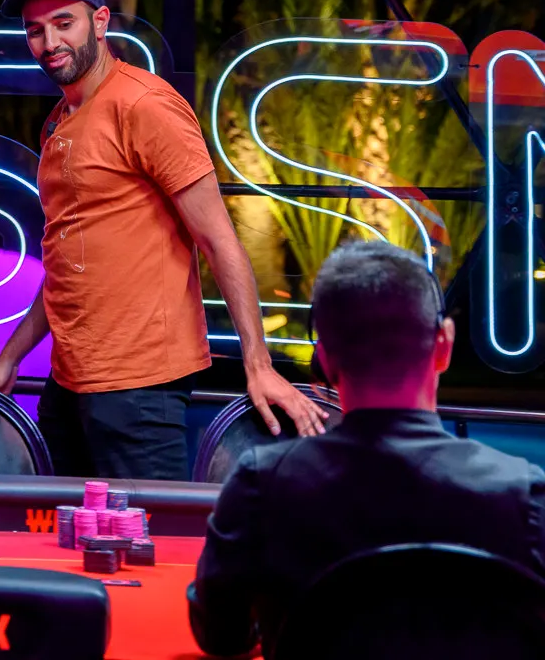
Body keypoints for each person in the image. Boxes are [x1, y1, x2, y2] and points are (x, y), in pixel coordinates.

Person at [0, 0, 326, 481]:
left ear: (100, 21)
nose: (49, 42)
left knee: (148, 529)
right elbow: (69, 266)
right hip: (69, 383)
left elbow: (219, 241)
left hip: (140, 386)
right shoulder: (59, 121)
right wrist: (10, 358)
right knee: (59, 528)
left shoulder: (145, 105)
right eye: (36, 30)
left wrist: (258, 365)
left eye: (64, 23)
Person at [187, 241, 545, 658]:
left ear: (323, 360)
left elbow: (221, 638)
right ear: (444, 346)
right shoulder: (523, 495)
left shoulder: (261, 485)